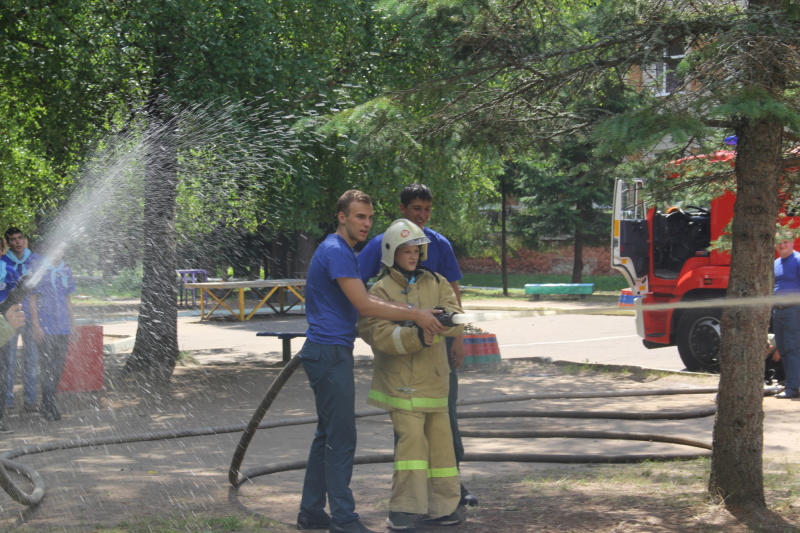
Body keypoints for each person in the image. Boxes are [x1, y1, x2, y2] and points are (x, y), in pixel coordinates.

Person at [296, 190, 446, 533]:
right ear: (342, 217)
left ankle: (310, 513)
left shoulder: (341, 251)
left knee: (327, 435)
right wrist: (416, 314)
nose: (366, 223)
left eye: (369, 217)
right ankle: (345, 520)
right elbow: (363, 304)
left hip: (329, 351)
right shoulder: (336, 251)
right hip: (329, 353)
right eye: (360, 216)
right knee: (342, 438)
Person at [357, 183, 478, 507]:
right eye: (416, 209)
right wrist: (409, 323)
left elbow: (452, 294)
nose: (422, 216)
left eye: (427, 209)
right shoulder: (381, 246)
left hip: (436, 362)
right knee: (410, 436)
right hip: (400, 370)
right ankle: (411, 502)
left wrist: (457, 337)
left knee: (444, 428)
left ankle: (449, 495)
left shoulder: (438, 247)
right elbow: (360, 293)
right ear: (403, 210)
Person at [29, 249, 76, 421]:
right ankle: (49, 405)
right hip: (46, 325)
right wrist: (36, 325)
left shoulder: (66, 270)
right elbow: (32, 298)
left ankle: (47, 403)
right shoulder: (40, 269)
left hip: (62, 326)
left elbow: (68, 299)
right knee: (47, 366)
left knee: (58, 366)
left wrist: (73, 323)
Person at [1, 227, 40, 411]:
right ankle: (6, 401)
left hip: (30, 316)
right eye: (13, 239)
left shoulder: (34, 259)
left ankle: (30, 400)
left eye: (20, 238)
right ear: (7, 243)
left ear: (24, 239)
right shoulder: (4, 262)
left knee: (31, 358)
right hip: (10, 317)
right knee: (8, 361)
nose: (17, 242)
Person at [773, 234, 800, 399]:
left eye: (786, 242)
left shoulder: (797, 260)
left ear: (792, 243)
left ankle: (793, 388)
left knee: (792, 349)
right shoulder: (775, 263)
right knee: (783, 349)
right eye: (779, 242)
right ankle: (790, 382)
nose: (782, 245)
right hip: (778, 311)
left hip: (793, 310)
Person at [0, 240, 21, 434]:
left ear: (2, 250)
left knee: (2, 372)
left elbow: (17, 298)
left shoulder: (8, 270)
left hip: (3, 328)